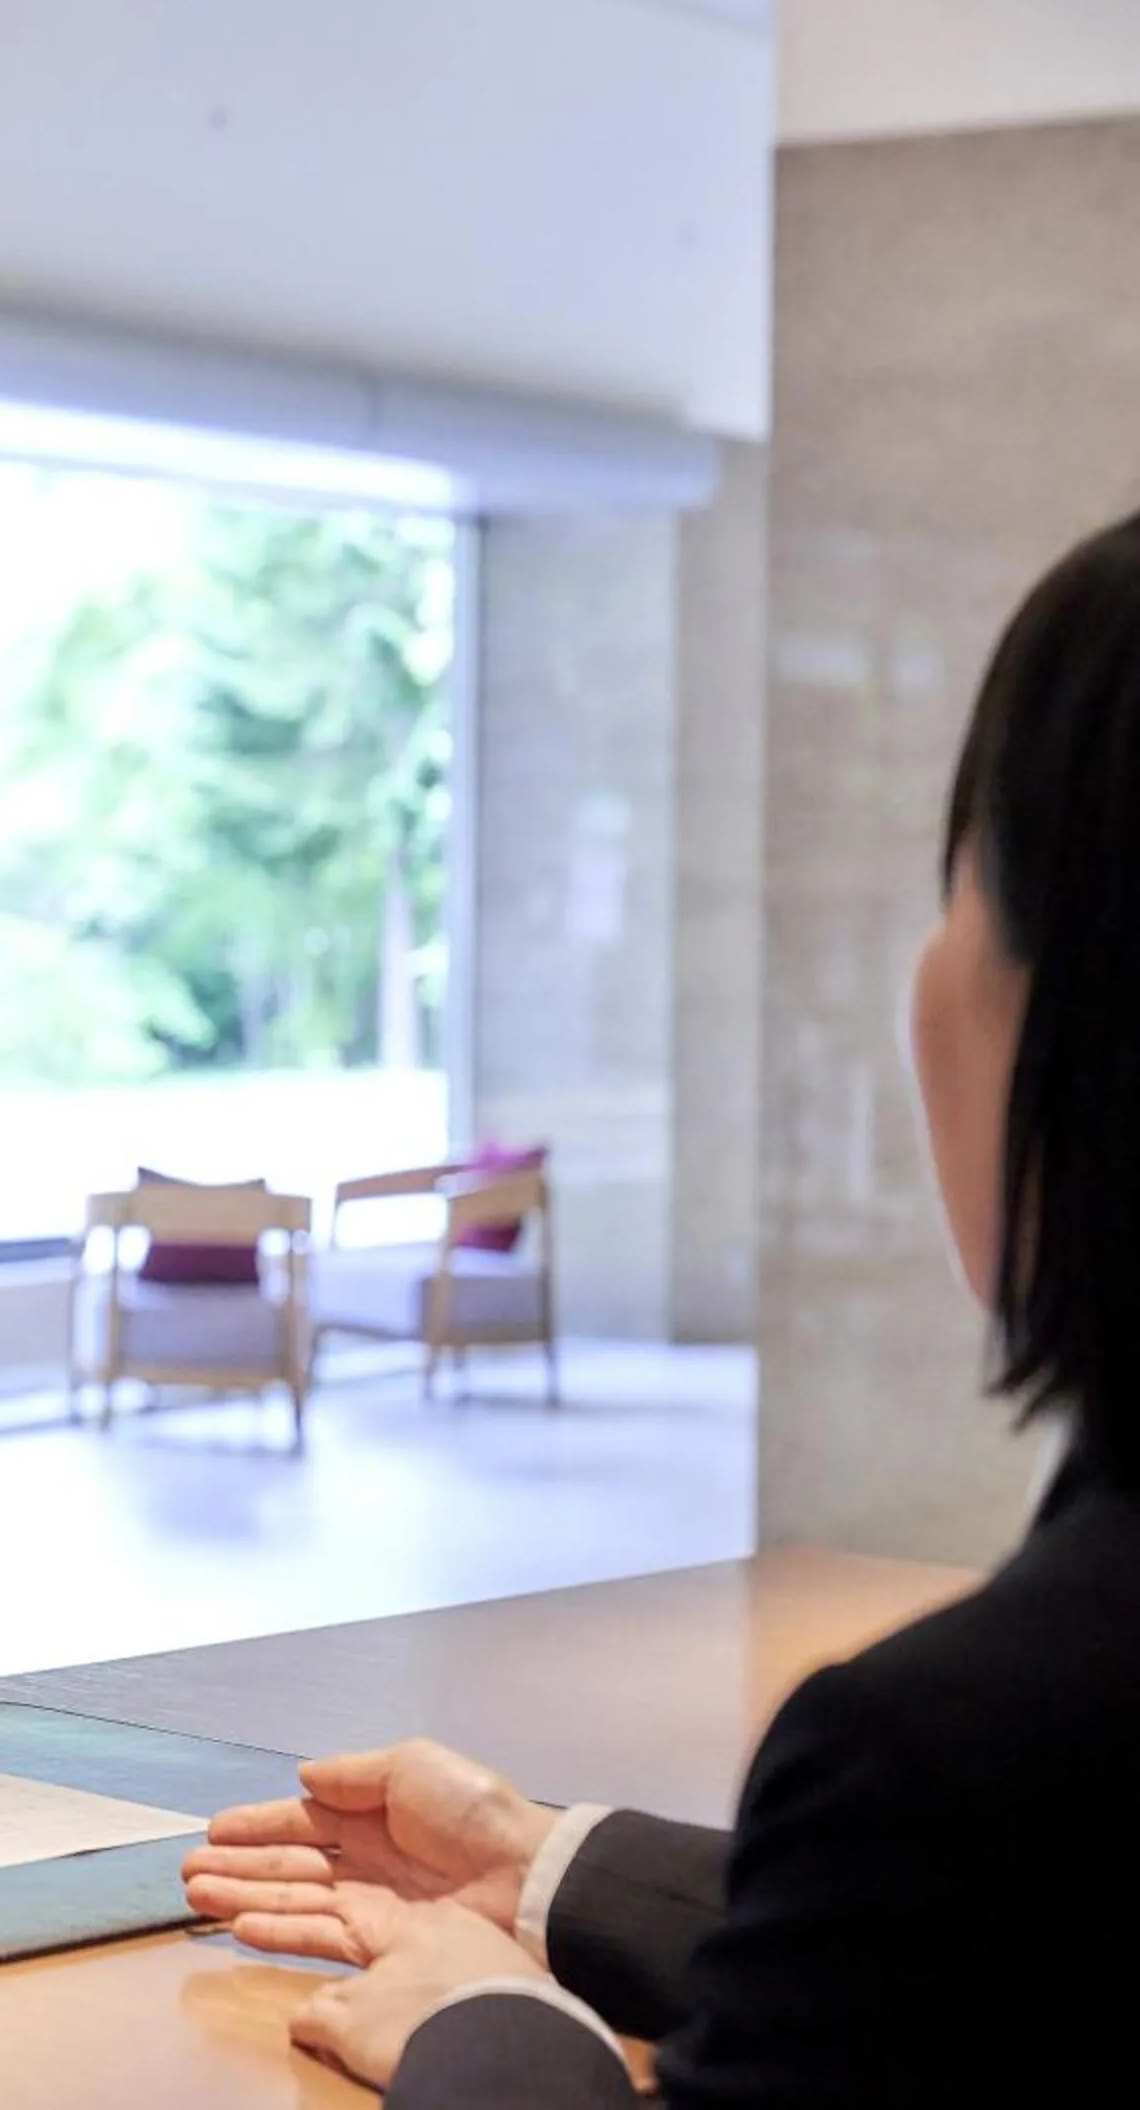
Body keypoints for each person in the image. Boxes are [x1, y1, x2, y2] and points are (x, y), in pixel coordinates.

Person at [177, 509, 1140, 2105]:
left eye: (962, 886)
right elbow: (992, 1963)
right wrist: (545, 1865)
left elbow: (971, 1885)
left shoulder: (953, 1746)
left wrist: (496, 2028)